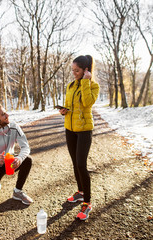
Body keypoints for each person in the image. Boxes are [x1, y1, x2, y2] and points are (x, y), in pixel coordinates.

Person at [59, 55, 99, 220]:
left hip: (84, 130)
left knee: (82, 165)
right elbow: (70, 105)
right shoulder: (70, 85)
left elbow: (87, 103)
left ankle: (87, 203)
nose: (74, 73)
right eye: (73, 70)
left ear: (86, 70)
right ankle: (80, 192)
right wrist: (64, 110)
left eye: (77, 70)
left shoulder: (93, 86)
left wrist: (85, 82)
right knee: (75, 164)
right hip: (70, 129)